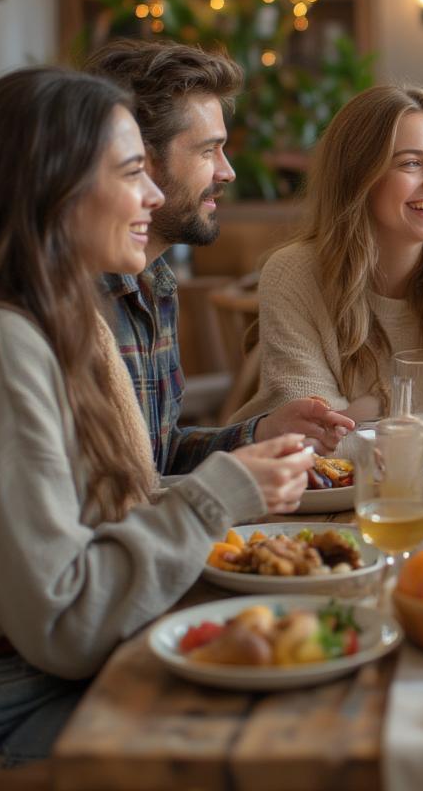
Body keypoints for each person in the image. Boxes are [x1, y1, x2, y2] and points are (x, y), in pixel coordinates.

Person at [0, 68, 316, 767]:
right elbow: (65, 622)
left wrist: (234, 474)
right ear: (55, 190)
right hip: (23, 692)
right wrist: (222, 492)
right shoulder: (2, 343)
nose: (154, 196)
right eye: (132, 173)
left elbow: (110, 510)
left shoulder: (60, 327)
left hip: (77, 664)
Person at [84, 39, 352, 473]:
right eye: (209, 150)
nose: (226, 171)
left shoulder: (155, 283)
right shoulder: (72, 302)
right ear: (143, 161)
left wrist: (260, 433)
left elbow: (160, 457)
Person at [231, 84, 423, 424]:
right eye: (411, 163)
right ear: (358, 178)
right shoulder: (293, 274)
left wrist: (380, 408)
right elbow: (315, 438)